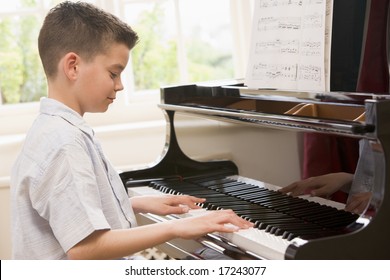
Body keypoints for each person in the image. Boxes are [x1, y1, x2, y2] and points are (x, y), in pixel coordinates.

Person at [10, 1, 253, 260]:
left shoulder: (53, 129)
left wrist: (132, 204)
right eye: (114, 73)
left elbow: (69, 211)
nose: (120, 85)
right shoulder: (64, 143)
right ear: (73, 66)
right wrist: (176, 227)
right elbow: (85, 249)